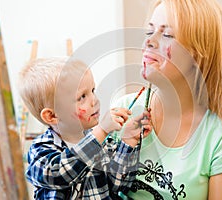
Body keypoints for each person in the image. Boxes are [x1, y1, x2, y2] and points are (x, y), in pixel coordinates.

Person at [114, 0, 222, 199]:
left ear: (198, 56)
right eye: (149, 31)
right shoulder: (123, 111)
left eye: (167, 34)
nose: (149, 41)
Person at [18, 57, 152, 199]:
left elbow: (119, 185)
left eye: (92, 90)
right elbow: (59, 176)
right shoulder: (40, 150)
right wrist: (101, 131)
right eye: (82, 97)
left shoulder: (104, 143)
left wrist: (128, 141)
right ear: (52, 116)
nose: (94, 100)